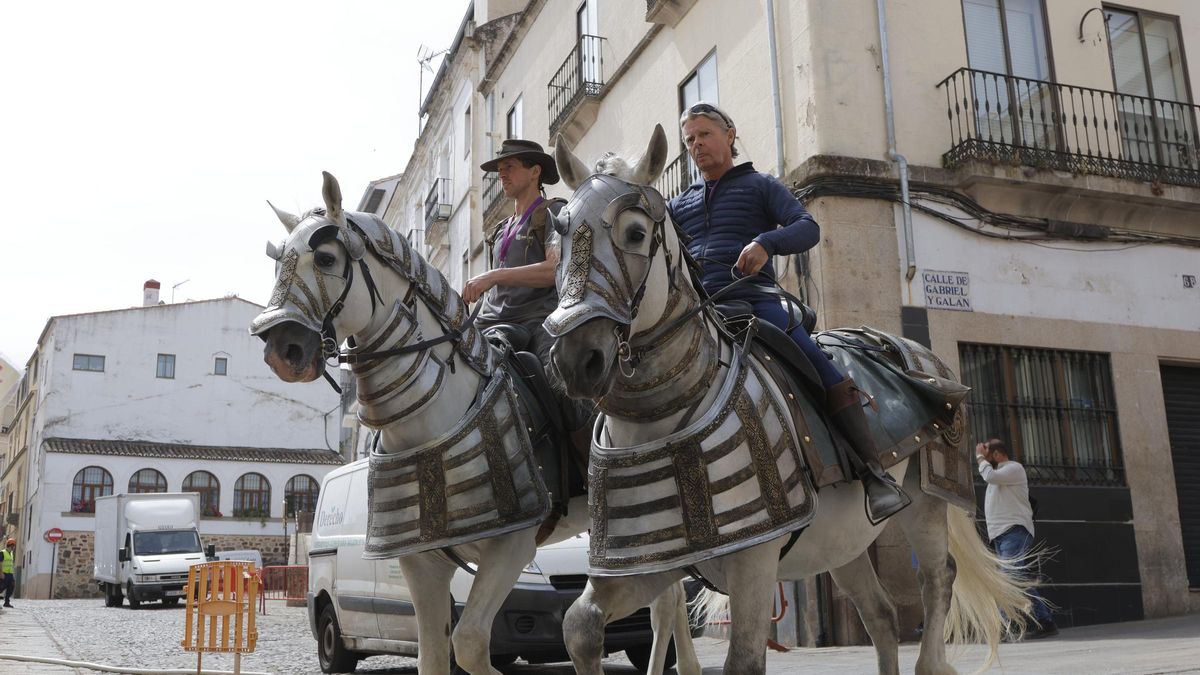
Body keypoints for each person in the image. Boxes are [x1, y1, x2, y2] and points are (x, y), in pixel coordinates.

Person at [668, 102, 909, 524]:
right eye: (689, 140)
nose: (696, 145)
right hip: (696, 311)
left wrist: (766, 243)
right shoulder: (678, 205)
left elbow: (808, 227)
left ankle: (874, 473)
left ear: (730, 134)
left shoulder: (761, 185)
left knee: (814, 361)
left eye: (704, 134)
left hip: (755, 301)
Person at [463, 139, 565, 365]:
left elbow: (554, 270)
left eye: (509, 167)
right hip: (488, 322)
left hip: (536, 322)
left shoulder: (553, 212)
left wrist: (493, 276)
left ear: (535, 171)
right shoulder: (500, 229)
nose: (502, 175)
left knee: (560, 377)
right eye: (500, 170)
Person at [976, 438, 1057, 638]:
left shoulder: (1013, 468)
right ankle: (1046, 621)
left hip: (1014, 531)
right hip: (1001, 536)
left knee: (1006, 579)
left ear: (996, 455)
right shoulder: (1000, 475)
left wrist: (980, 457)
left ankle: (1004, 627)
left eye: (988, 455)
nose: (984, 460)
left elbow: (990, 476)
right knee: (1017, 580)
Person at [1, 538, 15, 607]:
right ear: (10, 545)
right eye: (13, 546)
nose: (14, 547)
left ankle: (7, 602)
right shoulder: (2, 552)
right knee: (1, 588)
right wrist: (1, 573)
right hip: (3, 573)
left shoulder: (11, 554)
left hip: (10, 574)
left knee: (11, 587)